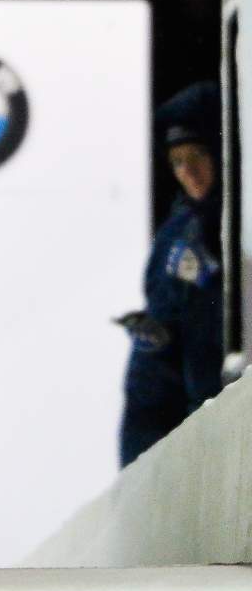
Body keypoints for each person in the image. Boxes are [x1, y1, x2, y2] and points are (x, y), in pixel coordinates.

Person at [117, 81, 223, 467]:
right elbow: (155, 361)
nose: (188, 171)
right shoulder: (177, 239)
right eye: (177, 161)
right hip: (209, 436)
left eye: (197, 154)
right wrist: (140, 471)